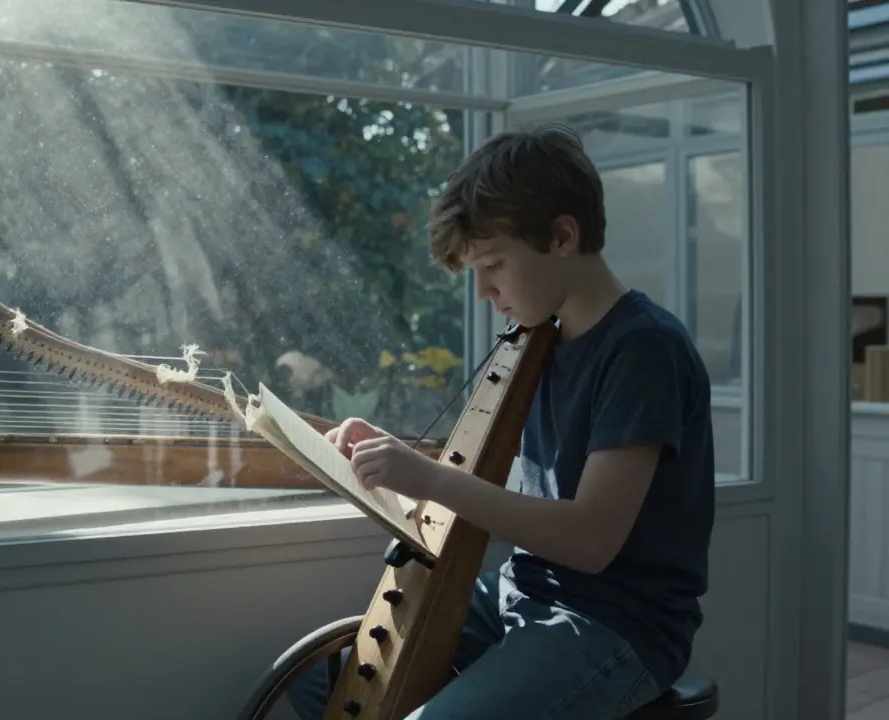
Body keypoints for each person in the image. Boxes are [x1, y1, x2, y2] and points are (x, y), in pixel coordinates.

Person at [286, 125, 715, 719]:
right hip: (525, 591)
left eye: (493, 265)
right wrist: (396, 454)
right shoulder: (547, 338)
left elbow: (590, 541)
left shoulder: (644, 349)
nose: (485, 290)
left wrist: (427, 478)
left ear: (563, 236)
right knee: (320, 685)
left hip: (616, 622)